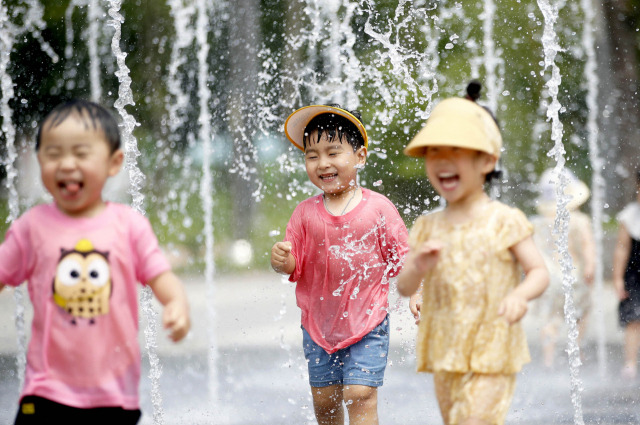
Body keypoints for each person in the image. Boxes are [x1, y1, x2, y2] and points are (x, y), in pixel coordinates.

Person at [0, 99, 190, 424]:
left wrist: (176, 303)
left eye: (81, 153)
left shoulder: (129, 225)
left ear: (114, 162)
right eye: (54, 153)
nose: (67, 164)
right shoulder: (31, 227)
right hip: (46, 390)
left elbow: (161, 276)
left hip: (113, 394)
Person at [396, 82, 549, 425]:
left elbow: (539, 271)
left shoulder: (505, 220)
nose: (443, 161)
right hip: (445, 348)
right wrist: (417, 271)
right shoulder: (427, 225)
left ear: (487, 160)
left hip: (493, 345)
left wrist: (521, 295)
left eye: (457, 150)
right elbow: (404, 287)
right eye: (433, 151)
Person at [271, 105, 409, 425]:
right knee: (325, 400)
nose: (323, 163)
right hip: (318, 328)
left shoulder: (378, 209)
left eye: (333, 152)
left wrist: (416, 292)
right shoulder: (304, 213)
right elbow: (295, 264)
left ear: (360, 156)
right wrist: (283, 260)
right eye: (312, 155)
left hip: (368, 323)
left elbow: (404, 255)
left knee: (360, 394)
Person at [531, 168, 595, 368]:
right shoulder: (580, 220)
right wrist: (590, 266)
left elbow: (534, 250)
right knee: (581, 311)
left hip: (549, 275)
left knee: (551, 318)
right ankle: (575, 349)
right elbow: (587, 246)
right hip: (572, 273)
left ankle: (548, 358)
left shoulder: (541, 222)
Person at [612, 171, 640, 380]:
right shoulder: (630, 215)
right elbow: (622, 248)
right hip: (635, 275)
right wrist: (618, 279)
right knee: (633, 319)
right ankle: (630, 363)